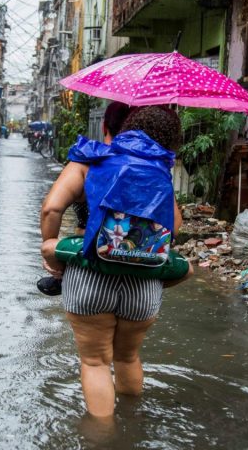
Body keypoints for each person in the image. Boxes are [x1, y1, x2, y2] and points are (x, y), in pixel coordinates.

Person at [40, 105, 192, 418]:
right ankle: (132, 425)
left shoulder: (89, 159)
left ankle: (102, 435)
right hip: (143, 285)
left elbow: (51, 209)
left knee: (95, 362)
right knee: (127, 358)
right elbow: (174, 228)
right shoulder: (160, 169)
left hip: (90, 279)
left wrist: (54, 255)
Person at [36, 101, 135, 296]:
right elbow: (174, 224)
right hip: (141, 274)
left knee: (50, 248)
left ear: (104, 126)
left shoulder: (85, 164)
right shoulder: (152, 167)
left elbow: (51, 210)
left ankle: (58, 278)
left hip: (87, 272)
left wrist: (54, 261)